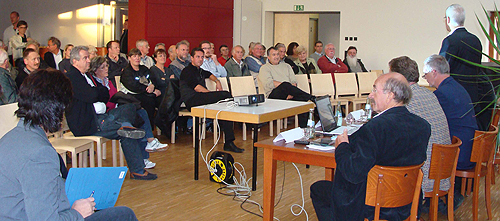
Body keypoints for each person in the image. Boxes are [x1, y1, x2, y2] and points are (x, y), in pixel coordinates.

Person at [0, 68, 138, 220]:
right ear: (57, 108)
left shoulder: (10, 138)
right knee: (123, 215)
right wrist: (77, 213)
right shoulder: (39, 153)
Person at [310, 72, 430, 221]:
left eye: (375, 90)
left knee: (318, 189)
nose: (371, 95)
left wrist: (342, 147)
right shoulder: (423, 126)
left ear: (390, 95)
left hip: (372, 204)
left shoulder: (376, 128)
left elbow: (353, 173)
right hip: (406, 202)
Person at [65, 45, 157, 180]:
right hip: (88, 123)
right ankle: (137, 170)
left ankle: (126, 126)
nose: (88, 61)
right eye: (85, 58)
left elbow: (103, 94)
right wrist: (98, 93)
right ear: (75, 61)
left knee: (130, 107)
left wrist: (98, 93)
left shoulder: (85, 76)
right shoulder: (73, 77)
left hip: (99, 117)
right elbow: (93, 95)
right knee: (127, 132)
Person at [388, 56, 452, 215]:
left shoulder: (405, 100)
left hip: (423, 176)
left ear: (398, 78)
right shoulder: (429, 94)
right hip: (441, 172)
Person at [90, 56, 168, 168]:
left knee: (140, 113)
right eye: (103, 67)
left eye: (106, 66)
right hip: (107, 114)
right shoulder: (95, 84)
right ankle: (148, 145)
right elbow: (103, 101)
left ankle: (146, 154)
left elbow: (114, 96)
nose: (106, 69)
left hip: (116, 109)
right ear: (95, 70)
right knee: (135, 119)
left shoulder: (107, 81)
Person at [180, 47, 243, 153]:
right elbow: (197, 88)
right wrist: (211, 95)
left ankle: (229, 141)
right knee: (226, 95)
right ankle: (228, 139)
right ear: (192, 58)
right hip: (192, 100)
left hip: (200, 98)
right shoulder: (187, 71)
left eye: (202, 57)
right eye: (198, 57)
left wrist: (217, 81)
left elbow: (209, 74)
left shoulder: (199, 70)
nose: (200, 59)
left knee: (226, 106)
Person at [439, 4, 491, 131]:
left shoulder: (450, 41)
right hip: (474, 95)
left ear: (448, 20)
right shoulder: (475, 40)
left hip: (455, 96)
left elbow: (443, 68)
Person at [423, 54, 477, 171]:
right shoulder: (457, 87)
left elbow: (429, 122)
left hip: (459, 153)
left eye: (425, 74)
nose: (425, 78)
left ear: (434, 72)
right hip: (469, 149)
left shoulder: (442, 93)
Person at [258, 47, 315, 128]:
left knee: (303, 102)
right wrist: (287, 91)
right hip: (273, 96)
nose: (276, 56)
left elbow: (294, 81)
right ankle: (312, 98)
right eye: (273, 55)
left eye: (277, 54)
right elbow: (269, 83)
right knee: (285, 84)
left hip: (289, 93)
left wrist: (290, 92)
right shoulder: (264, 68)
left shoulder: (286, 66)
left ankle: (304, 128)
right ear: (268, 57)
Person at [121, 48, 163, 128]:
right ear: (129, 58)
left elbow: (153, 79)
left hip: (148, 93)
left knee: (163, 99)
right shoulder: (127, 72)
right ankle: (148, 128)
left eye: (138, 56)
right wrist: (149, 90)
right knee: (149, 100)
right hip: (132, 95)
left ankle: (162, 125)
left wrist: (153, 86)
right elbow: (133, 86)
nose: (137, 58)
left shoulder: (144, 69)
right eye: (134, 56)